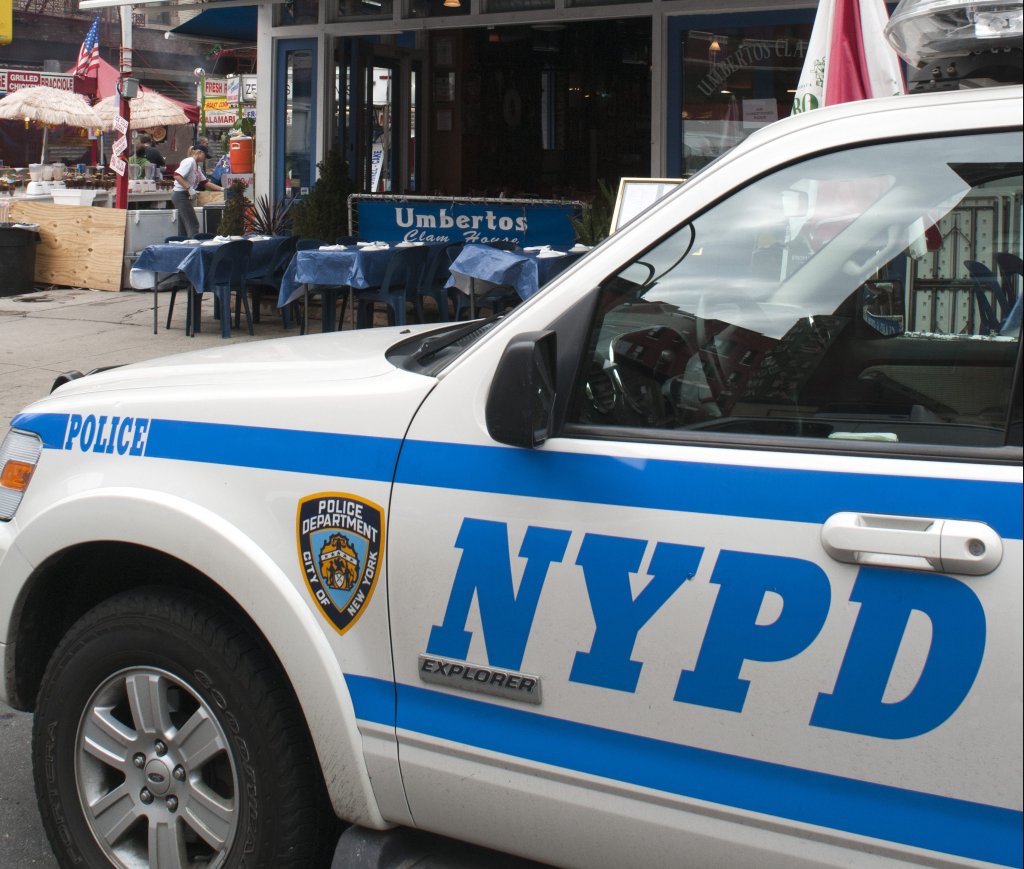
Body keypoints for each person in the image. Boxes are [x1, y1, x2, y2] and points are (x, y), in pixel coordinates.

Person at [172, 144, 222, 238]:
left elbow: (205, 182)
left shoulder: (197, 167)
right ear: (199, 153)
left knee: (183, 225)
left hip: (184, 196)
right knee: (193, 223)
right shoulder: (189, 161)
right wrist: (189, 188)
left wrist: (222, 189)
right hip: (180, 195)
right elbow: (177, 175)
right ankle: (193, 245)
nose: (205, 158)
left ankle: (182, 244)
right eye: (205, 156)